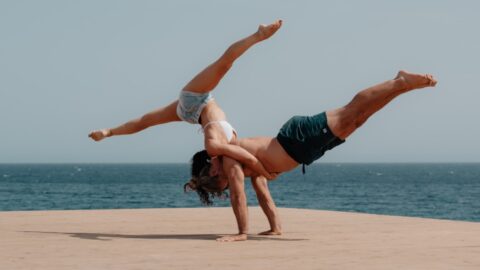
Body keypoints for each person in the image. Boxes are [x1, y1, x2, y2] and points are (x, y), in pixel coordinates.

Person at [186, 70, 437, 241]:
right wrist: (275, 227)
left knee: (349, 114)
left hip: (296, 138)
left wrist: (242, 233)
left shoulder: (230, 158)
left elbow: (240, 195)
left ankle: (399, 81)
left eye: (214, 176)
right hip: (303, 150)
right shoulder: (243, 166)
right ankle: (399, 87)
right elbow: (262, 193)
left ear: (211, 165)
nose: (224, 179)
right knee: (357, 120)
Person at [88, 20, 283, 179]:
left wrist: (265, 172)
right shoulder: (223, 149)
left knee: (223, 65)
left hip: (192, 104)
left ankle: (109, 132)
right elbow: (249, 158)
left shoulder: (219, 148)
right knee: (223, 65)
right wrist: (265, 171)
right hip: (194, 108)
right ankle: (259, 35)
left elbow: (249, 159)